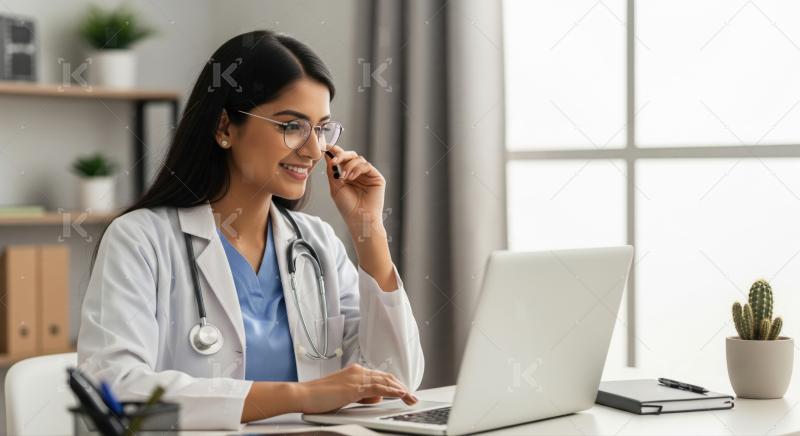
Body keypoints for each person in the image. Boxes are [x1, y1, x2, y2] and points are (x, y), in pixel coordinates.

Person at [77, 30, 424, 430]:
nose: (313, 150)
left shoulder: (316, 242)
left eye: (322, 128)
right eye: (292, 126)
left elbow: (397, 381)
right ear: (225, 126)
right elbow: (116, 389)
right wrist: (302, 396)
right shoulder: (140, 239)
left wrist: (369, 233)